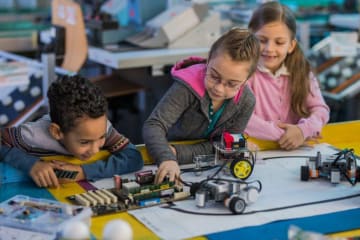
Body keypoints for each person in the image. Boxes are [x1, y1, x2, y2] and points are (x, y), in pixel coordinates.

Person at [143, 28, 260, 183]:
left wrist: (179, 153)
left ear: (247, 79)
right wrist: (166, 157)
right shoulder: (186, 87)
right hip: (165, 160)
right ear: (208, 59)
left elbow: (226, 146)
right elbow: (153, 125)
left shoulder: (246, 101)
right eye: (214, 76)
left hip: (201, 166)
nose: (219, 88)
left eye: (232, 84)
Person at [1, 75, 143, 188]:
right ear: (56, 132)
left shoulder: (100, 126)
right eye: (84, 142)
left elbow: (134, 157)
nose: (94, 149)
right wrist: (30, 164)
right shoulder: (33, 135)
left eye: (101, 137)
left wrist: (83, 172)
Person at [244, 1, 330, 150]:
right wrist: (288, 136)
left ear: (290, 46)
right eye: (262, 40)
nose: (269, 49)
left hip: (296, 151)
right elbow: (243, 119)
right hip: (257, 151)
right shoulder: (242, 74)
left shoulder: (302, 72)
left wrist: (303, 130)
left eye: (279, 42)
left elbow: (321, 110)